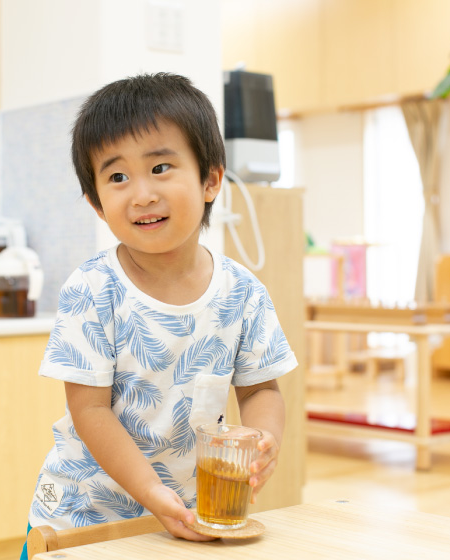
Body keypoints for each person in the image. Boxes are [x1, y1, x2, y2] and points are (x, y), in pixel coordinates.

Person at [23, 72, 297, 557]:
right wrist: (150, 492)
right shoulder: (92, 289)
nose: (142, 194)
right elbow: (89, 411)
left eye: (161, 167)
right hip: (84, 517)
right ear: (97, 204)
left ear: (210, 180)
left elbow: (261, 390)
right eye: (117, 177)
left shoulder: (243, 293)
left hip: (186, 517)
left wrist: (261, 438)